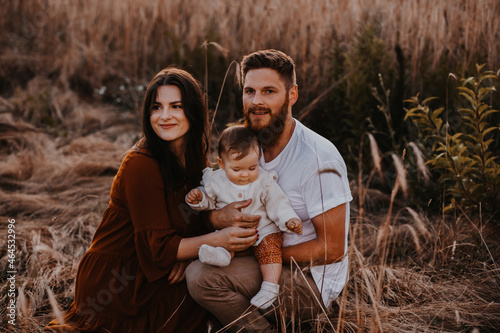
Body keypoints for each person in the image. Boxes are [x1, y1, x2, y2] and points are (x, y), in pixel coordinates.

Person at [44, 67, 258, 333]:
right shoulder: (140, 165)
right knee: (203, 292)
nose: (164, 116)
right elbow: (157, 249)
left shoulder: (191, 157)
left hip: (156, 268)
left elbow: (187, 220)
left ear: (192, 111)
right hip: (120, 280)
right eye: (157, 107)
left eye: (176, 106)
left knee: (213, 285)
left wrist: (188, 254)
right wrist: (214, 241)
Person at [186, 49, 353, 332]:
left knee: (201, 277)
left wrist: (262, 253)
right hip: (259, 260)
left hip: (308, 281)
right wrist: (217, 220)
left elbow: (333, 249)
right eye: (249, 91)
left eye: (269, 91)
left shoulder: (318, 157)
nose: (257, 101)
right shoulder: (246, 145)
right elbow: (215, 200)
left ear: (292, 95)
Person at [185, 125, 303, 309]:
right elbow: (207, 200)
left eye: (252, 167)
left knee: (270, 251)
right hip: (230, 232)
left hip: (262, 230)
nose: (245, 175)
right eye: (237, 169)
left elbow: (278, 203)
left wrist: (289, 219)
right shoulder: (215, 180)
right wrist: (198, 199)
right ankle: (221, 255)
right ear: (222, 164)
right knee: (224, 240)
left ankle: (270, 287)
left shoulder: (264, 181)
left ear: (259, 159)